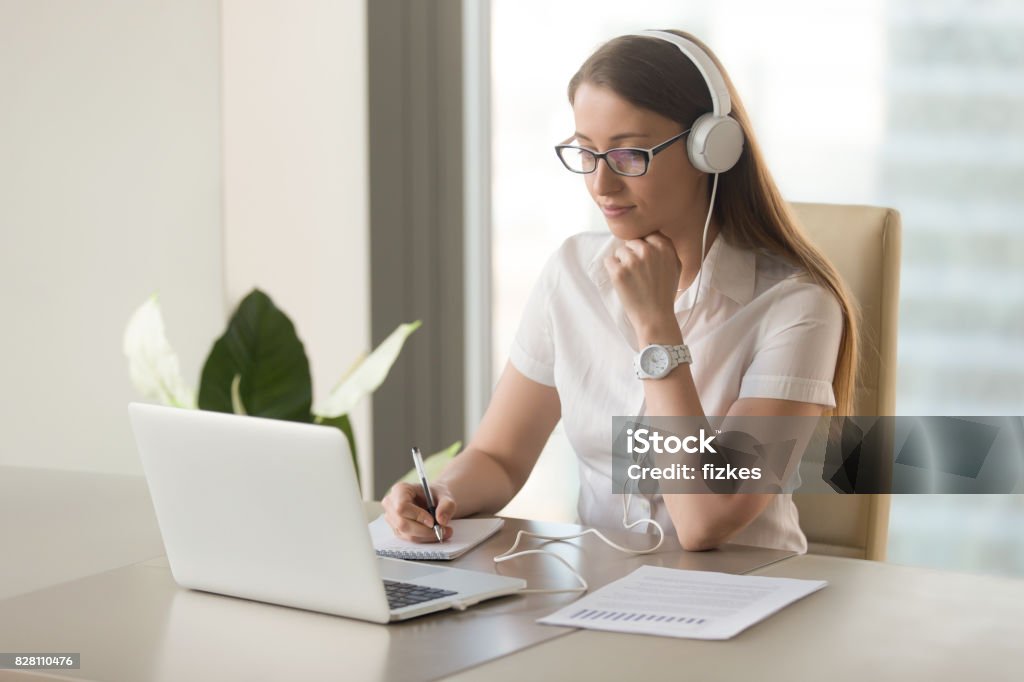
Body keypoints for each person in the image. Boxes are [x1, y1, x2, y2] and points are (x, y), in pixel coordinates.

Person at [383, 30, 858, 553]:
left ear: (711, 149)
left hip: (743, 599)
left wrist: (657, 327)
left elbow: (706, 519)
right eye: (586, 153)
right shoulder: (572, 272)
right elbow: (500, 457)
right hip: (598, 591)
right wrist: (442, 493)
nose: (601, 186)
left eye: (630, 155)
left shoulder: (797, 306)